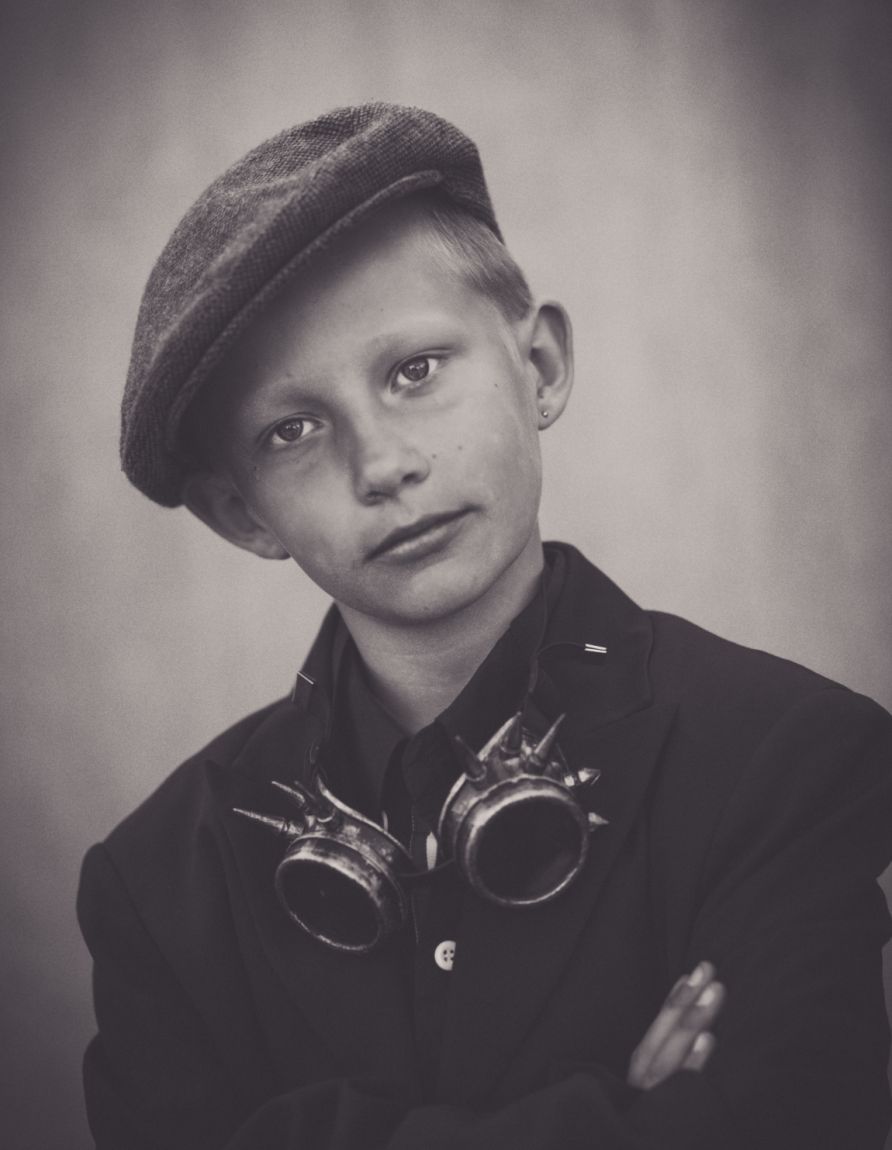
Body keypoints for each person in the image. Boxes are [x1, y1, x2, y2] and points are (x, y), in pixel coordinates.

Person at [77, 102, 892, 1150]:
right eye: (294, 428)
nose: (384, 464)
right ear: (243, 515)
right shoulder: (158, 888)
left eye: (414, 371)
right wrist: (633, 1117)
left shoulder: (783, 760)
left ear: (539, 366)